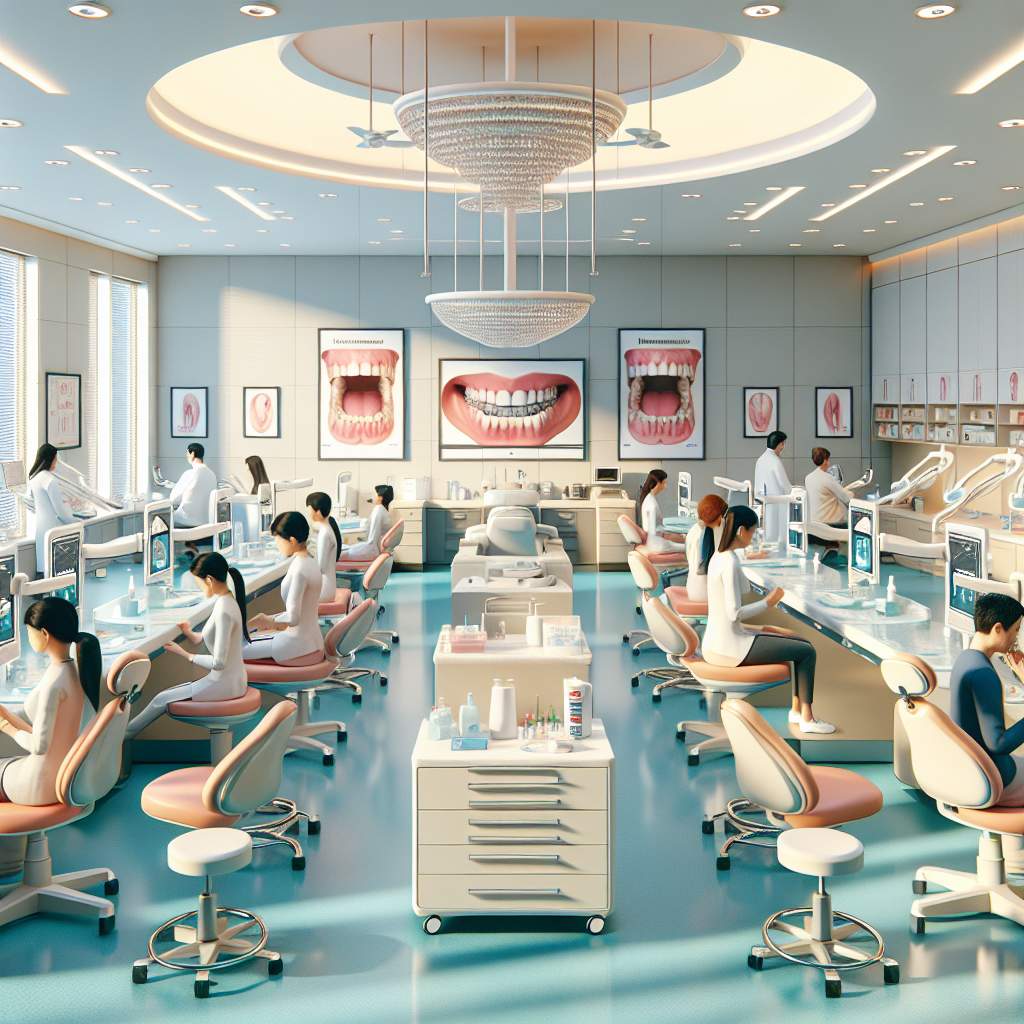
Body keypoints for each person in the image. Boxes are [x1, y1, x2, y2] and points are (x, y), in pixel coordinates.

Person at [703, 505, 835, 734]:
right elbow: (734, 613)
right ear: (741, 531)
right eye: (752, 532)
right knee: (807, 651)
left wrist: (765, 627)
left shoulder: (720, 556)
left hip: (717, 642)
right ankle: (807, 718)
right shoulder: (730, 562)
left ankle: (796, 711)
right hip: (731, 649)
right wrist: (769, 602)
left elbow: (733, 601)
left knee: (793, 639)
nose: (753, 537)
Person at [127, 552, 251, 738]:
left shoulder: (224, 609)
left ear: (209, 580)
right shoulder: (228, 601)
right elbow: (218, 638)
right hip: (234, 680)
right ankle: (124, 735)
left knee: (161, 699)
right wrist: (190, 634)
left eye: (199, 583)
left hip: (224, 684)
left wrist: (185, 654)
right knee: (165, 696)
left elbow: (219, 662)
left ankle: (123, 735)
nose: (199, 588)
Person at [0, 597, 100, 805]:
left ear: (44, 633)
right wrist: (6, 716)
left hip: (39, 785)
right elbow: (47, 734)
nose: (28, 637)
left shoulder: (53, 684)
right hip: (63, 779)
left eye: (29, 631)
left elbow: (39, 746)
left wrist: (7, 729)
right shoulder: (73, 671)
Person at [950, 593, 1024, 804]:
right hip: (995, 776)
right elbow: (998, 744)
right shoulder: (983, 673)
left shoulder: (967, 658)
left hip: (974, 768)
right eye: (1016, 630)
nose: (1016, 638)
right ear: (998, 629)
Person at [243, 511, 324, 664]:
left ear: (292, 540)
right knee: (252, 637)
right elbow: (302, 610)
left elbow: (293, 617)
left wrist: (265, 620)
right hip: (313, 640)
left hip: (296, 645)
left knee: (232, 651)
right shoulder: (311, 562)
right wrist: (272, 620)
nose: (277, 545)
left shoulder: (299, 569)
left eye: (278, 540)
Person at [27, 443, 76, 572]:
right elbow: (60, 512)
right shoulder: (50, 480)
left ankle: (47, 592)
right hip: (55, 530)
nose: (56, 462)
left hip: (41, 530)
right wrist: (76, 523)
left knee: (45, 569)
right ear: (50, 459)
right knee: (59, 570)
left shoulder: (33, 479)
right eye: (55, 459)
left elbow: (31, 505)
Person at [684, 494, 728, 602]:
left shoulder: (694, 530)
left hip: (691, 589)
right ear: (719, 517)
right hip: (706, 595)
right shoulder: (712, 533)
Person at [754, 430, 792, 549]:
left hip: (762, 501)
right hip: (776, 502)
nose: (783, 447)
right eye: (783, 444)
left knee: (767, 537)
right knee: (777, 537)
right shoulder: (775, 460)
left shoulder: (761, 459)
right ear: (779, 444)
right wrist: (795, 492)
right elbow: (784, 484)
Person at [636, 470, 687, 554]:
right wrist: (682, 537)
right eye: (664, 483)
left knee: (685, 542)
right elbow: (654, 531)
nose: (665, 486)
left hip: (655, 541)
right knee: (691, 547)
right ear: (657, 483)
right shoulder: (651, 505)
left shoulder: (648, 498)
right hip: (657, 544)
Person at [169, 442, 217, 528]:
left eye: (187, 453)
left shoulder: (190, 473)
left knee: (158, 520)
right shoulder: (212, 475)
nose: (186, 456)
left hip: (184, 520)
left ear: (192, 454)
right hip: (205, 522)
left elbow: (173, 499)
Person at [340, 484, 393, 561]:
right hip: (375, 548)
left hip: (373, 550)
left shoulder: (378, 510)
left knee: (342, 553)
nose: (372, 497)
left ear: (380, 498)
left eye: (374, 494)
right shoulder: (383, 510)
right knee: (347, 548)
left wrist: (353, 548)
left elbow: (372, 541)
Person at [306, 491, 342, 603]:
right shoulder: (327, 528)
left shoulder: (324, 534)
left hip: (324, 591)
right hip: (328, 587)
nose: (308, 512)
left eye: (309, 509)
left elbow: (320, 567)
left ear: (317, 511)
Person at [805, 447, 853, 529]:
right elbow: (846, 498)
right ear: (825, 461)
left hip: (814, 520)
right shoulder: (828, 478)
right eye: (828, 459)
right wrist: (851, 493)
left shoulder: (808, 477)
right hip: (830, 522)